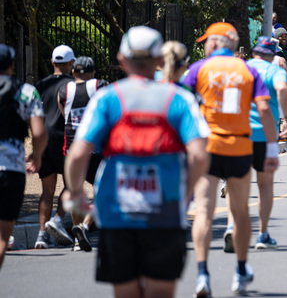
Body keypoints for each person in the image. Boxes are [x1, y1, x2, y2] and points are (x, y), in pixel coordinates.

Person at [63, 26, 210, 298]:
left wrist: (74, 193)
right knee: (160, 291)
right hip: (165, 214)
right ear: (159, 61)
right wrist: (185, 193)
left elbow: (78, 153)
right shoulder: (181, 99)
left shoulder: (107, 98)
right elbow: (200, 155)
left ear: (121, 60)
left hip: (117, 214)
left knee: (126, 292)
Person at [183, 22, 279, 296]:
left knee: (204, 210)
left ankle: (202, 274)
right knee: (239, 211)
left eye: (205, 42)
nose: (204, 45)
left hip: (207, 147)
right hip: (239, 146)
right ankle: (240, 270)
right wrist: (271, 150)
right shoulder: (246, 69)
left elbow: (180, 103)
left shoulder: (198, 69)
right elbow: (263, 108)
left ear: (214, 44)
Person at [224, 37, 287, 251]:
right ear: (272, 54)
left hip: (239, 134)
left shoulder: (240, 68)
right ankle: (262, 234)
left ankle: (230, 225)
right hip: (265, 134)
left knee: (235, 184)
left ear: (254, 52)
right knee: (264, 185)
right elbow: (282, 89)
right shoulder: (275, 71)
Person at [0, 44, 47, 270]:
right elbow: (39, 133)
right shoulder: (26, 92)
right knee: (2, 238)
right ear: (12, 65)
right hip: (11, 170)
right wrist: (36, 155)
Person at [56, 56, 109, 251]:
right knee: (104, 190)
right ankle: (84, 226)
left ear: (73, 73)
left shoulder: (64, 90)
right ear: (93, 72)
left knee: (75, 191)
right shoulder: (101, 85)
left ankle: (78, 240)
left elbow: (65, 115)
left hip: (71, 148)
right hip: (97, 149)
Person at [35, 45, 75, 249]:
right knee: (72, 185)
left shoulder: (39, 85)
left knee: (46, 190)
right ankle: (58, 219)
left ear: (52, 62)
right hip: (64, 140)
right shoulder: (73, 85)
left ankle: (41, 234)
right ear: (72, 63)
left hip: (43, 141)